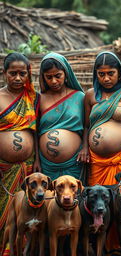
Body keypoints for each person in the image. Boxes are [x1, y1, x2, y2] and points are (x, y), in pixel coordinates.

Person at [79, 51, 121, 254]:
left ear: (119, 72)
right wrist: (85, 147)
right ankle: (103, 246)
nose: (106, 78)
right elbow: (85, 126)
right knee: (99, 201)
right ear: (96, 74)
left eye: (111, 73)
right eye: (101, 74)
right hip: (98, 160)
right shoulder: (91, 95)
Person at [0, 52, 39, 249]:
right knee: (3, 212)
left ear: (28, 74)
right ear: (4, 72)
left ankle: (19, 250)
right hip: (3, 169)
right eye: (12, 73)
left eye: (22, 73)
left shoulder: (33, 98)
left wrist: (38, 159)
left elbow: (38, 131)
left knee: (24, 212)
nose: (17, 78)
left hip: (27, 169)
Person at [38, 52, 85, 181]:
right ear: (43, 78)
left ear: (66, 73)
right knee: (49, 198)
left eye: (58, 76)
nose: (54, 81)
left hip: (74, 162)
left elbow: (88, 126)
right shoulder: (39, 99)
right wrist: (36, 160)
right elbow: (33, 132)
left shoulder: (79, 97)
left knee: (74, 198)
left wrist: (85, 148)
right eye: (49, 77)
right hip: (47, 165)